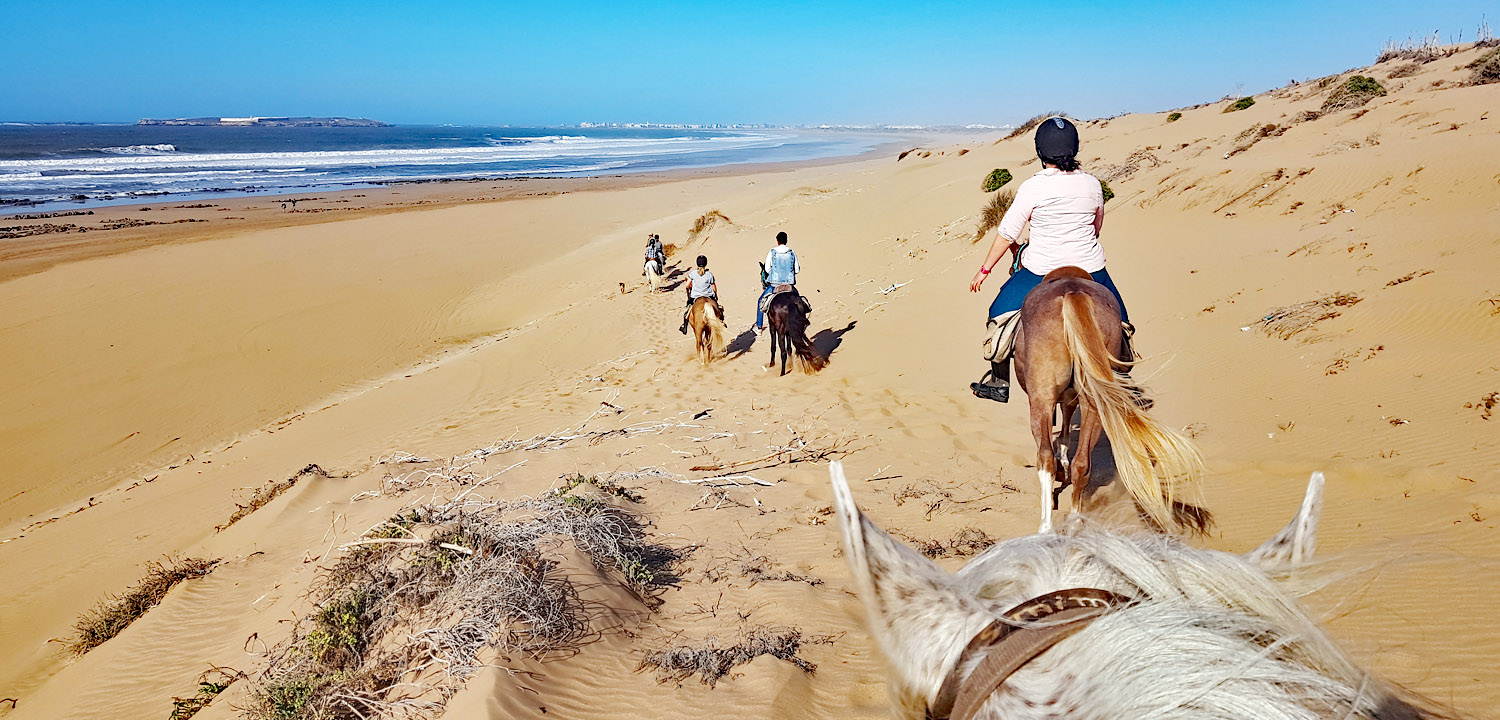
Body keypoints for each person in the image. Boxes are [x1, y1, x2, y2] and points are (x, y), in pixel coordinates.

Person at [967, 116, 1133, 403]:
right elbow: (1096, 226)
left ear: (1040, 151)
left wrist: (984, 270)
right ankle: (1123, 371)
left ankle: (999, 381)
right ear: (1075, 149)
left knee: (998, 312)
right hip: (1090, 267)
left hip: (1040, 268)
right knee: (1121, 320)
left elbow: (1008, 233)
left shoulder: (1034, 187)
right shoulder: (1092, 184)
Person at [755, 231, 801, 333]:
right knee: (801, 302)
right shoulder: (792, 252)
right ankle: (802, 320)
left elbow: (766, 269)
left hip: (775, 285)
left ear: (778, 241)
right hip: (789, 284)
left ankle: (759, 327)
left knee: (760, 301)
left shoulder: (772, 252)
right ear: (786, 241)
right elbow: (797, 270)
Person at [680, 254, 722, 333]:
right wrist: (716, 295)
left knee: (687, 311)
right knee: (718, 309)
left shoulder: (693, 274)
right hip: (709, 296)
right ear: (706, 264)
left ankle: (684, 326)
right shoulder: (709, 274)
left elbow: (687, 285)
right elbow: (714, 287)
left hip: (696, 296)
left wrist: (689, 289)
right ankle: (721, 322)